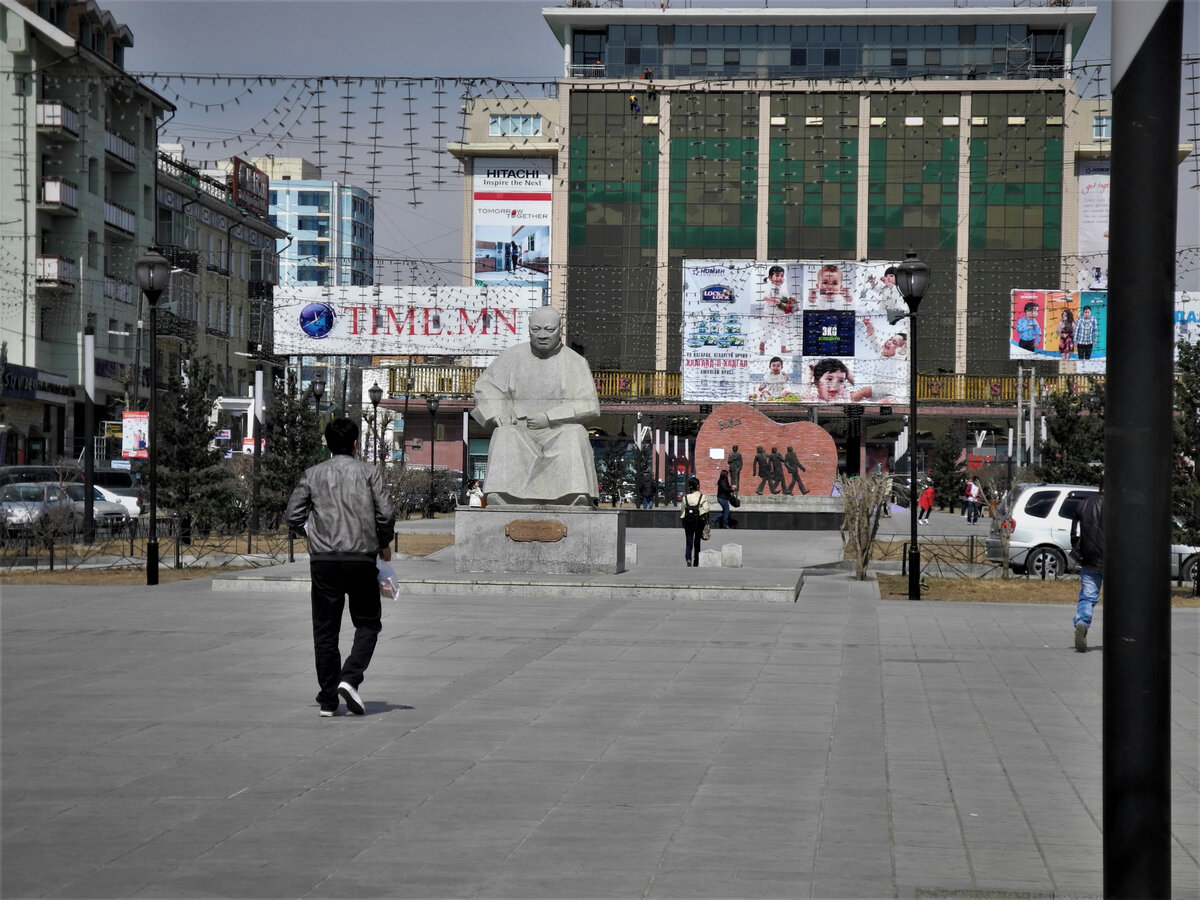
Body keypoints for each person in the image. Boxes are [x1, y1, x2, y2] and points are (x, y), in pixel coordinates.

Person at [285, 417, 396, 718]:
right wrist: (384, 541)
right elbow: (385, 512)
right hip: (361, 558)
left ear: (327, 444)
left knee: (325, 630)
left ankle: (328, 699)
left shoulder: (312, 474)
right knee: (368, 623)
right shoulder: (370, 473)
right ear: (356, 444)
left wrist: (312, 535)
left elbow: (293, 515)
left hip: (324, 561)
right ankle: (350, 678)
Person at [471, 306, 601, 506]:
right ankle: (502, 494)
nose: (542, 335)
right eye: (536, 329)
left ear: (560, 329)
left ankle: (574, 494)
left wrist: (550, 417)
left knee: (575, 434)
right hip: (520, 429)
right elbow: (485, 387)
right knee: (504, 434)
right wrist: (499, 413)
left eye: (549, 330)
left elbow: (590, 405)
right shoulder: (511, 357)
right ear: (529, 329)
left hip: (558, 429)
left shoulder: (576, 362)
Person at [1069, 485, 1103, 652]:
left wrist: (1078, 552)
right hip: (1117, 562)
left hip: (1089, 558)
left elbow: (1075, 533)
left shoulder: (1084, 504)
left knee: (1087, 598)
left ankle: (1082, 622)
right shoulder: (1122, 506)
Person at [799, 358, 873, 403]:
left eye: (841, 381)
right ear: (817, 383)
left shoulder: (846, 396)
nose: (835, 385)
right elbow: (804, 396)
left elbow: (865, 389)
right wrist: (808, 376)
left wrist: (848, 374)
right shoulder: (813, 399)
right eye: (829, 379)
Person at [680, 476, 710, 566]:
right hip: (699, 522)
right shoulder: (702, 497)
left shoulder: (685, 498)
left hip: (688, 521)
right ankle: (696, 561)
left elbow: (682, 510)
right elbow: (706, 509)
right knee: (697, 542)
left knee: (689, 542)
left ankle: (688, 559)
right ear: (698, 486)